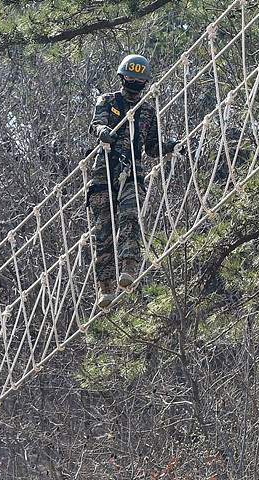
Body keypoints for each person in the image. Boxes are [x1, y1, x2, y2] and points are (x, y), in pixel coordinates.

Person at [88, 54, 180, 309]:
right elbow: (97, 124)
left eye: (139, 78)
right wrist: (103, 132)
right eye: (130, 77)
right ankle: (104, 286)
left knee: (130, 215)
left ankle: (129, 266)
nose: (133, 81)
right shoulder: (107, 100)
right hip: (104, 172)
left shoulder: (148, 111)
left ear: (145, 81)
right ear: (121, 77)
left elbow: (151, 147)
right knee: (103, 228)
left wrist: (170, 147)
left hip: (131, 172)